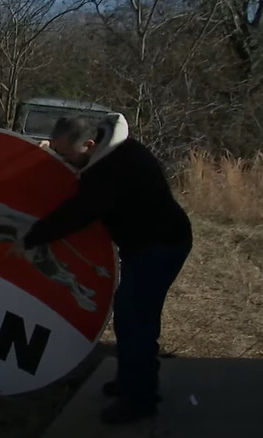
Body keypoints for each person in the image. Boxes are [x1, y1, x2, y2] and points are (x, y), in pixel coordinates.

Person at [21, 114, 193, 425]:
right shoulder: (107, 152)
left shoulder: (114, 168)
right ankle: (131, 381)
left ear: (89, 144)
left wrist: (31, 236)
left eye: (64, 153)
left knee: (134, 318)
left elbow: (77, 213)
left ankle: (140, 399)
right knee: (134, 317)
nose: (62, 159)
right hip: (147, 244)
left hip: (160, 246)